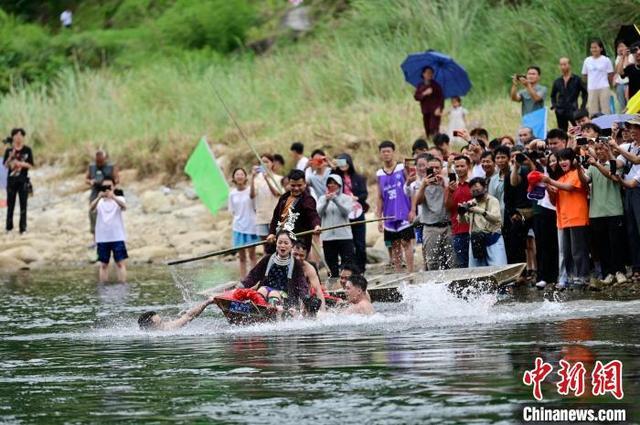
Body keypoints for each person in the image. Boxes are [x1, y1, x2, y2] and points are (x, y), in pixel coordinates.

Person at [542, 149, 590, 287]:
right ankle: (569, 277)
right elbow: (553, 202)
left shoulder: (576, 173)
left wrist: (549, 180)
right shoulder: (561, 178)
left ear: (572, 160)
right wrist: (548, 189)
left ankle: (582, 277)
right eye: (560, 159)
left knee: (578, 251)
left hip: (577, 217)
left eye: (565, 159)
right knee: (566, 252)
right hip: (562, 219)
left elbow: (569, 187)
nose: (562, 162)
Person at [583, 142, 627, 285]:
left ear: (608, 149)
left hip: (614, 210)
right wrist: (578, 167)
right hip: (596, 212)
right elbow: (586, 180)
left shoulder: (615, 164)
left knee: (616, 243)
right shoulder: (591, 166)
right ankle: (607, 273)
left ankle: (620, 271)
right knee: (602, 245)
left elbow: (613, 177)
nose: (600, 151)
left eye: (602, 148)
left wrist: (596, 164)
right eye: (597, 149)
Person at [241, 231, 309, 308]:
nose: (282, 245)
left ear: (291, 246)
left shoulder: (296, 264)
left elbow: (302, 283)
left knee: (273, 294)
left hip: (286, 296)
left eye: (286, 243)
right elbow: (253, 275)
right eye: (280, 242)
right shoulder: (267, 259)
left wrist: (305, 298)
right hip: (265, 290)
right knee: (262, 290)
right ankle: (257, 310)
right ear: (276, 244)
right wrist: (242, 286)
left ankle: (271, 314)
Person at [376, 140, 414, 272]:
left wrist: (413, 210)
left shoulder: (402, 168)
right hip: (389, 214)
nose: (386, 154)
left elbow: (411, 188)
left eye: (388, 151)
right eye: (383, 152)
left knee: (406, 242)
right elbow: (380, 196)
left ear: (393, 152)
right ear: (380, 154)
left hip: (403, 211)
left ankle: (410, 272)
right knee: (395, 244)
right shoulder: (379, 174)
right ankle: (398, 273)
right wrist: (379, 218)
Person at [267, 169, 321, 254]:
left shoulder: (307, 200)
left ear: (305, 184)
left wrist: (316, 225)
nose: (296, 188)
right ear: (289, 184)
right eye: (293, 185)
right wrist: (272, 233)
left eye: (299, 185)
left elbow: (313, 215)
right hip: (281, 240)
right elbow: (275, 218)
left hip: (298, 243)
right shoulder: (284, 198)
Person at [415, 156, 453, 270]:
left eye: (437, 168)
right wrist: (423, 186)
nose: (435, 170)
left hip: (447, 226)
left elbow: (450, 204)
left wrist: (445, 186)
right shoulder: (423, 184)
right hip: (430, 227)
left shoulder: (446, 182)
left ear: (442, 168)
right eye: (432, 168)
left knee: (451, 262)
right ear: (427, 169)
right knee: (432, 263)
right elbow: (418, 202)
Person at [458, 177, 507, 267]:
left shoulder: (493, 201)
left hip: (492, 238)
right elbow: (463, 222)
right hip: (476, 240)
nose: (475, 191)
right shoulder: (470, 203)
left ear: (485, 188)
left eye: (477, 189)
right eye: (473, 190)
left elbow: (496, 219)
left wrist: (479, 210)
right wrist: (461, 214)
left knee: (498, 268)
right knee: (476, 273)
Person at [334, 153, 369, 271]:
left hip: (357, 211)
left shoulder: (358, 178)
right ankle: (347, 269)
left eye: (344, 163)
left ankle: (361, 268)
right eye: (340, 163)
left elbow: (364, 193)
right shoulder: (335, 178)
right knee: (346, 243)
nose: (343, 166)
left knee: (360, 243)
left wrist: (356, 198)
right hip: (343, 213)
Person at [89, 177, 127, 283]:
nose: (107, 189)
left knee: (120, 263)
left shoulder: (119, 198)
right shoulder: (99, 201)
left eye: (109, 186)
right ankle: (103, 287)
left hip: (117, 237)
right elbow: (91, 208)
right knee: (103, 264)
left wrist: (113, 197)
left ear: (114, 187)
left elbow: (124, 206)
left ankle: (123, 286)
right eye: (104, 186)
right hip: (102, 238)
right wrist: (98, 197)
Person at [532, 152, 561, 289]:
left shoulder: (565, 174)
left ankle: (557, 276)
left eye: (556, 160)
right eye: (551, 161)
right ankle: (543, 276)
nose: (553, 163)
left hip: (562, 212)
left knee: (558, 245)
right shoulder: (544, 174)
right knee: (543, 245)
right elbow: (532, 178)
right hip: (544, 211)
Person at [317, 174, 354, 277]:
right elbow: (319, 213)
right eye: (329, 183)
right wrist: (327, 201)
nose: (332, 185)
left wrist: (335, 200)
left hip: (344, 236)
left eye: (334, 183)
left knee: (347, 263)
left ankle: (348, 283)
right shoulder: (322, 198)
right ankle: (334, 284)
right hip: (328, 237)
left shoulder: (346, 198)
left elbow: (346, 212)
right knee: (331, 264)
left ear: (340, 185)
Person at [229, 168, 259, 278]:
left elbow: (253, 197)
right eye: (237, 174)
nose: (239, 176)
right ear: (234, 178)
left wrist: (253, 178)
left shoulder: (251, 190)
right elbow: (232, 211)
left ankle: (254, 278)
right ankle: (243, 279)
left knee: (252, 255)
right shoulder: (232, 194)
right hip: (238, 227)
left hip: (251, 226)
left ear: (245, 177)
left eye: (242, 174)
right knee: (241, 257)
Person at [3, 128, 33, 234]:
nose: (18, 137)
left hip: (23, 181)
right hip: (11, 181)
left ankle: (23, 228)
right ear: (13, 137)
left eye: (20, 135)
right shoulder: (9, 150)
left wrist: (21, 164)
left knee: (23, 205)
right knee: (10, 205)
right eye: (16, 135)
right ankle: (9, 227)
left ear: (23, 137)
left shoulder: (27, 150)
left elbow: (30, 164)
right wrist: (11, 156)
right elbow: (6, 165)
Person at [85, 149, 119, 240]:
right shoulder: (91, 166)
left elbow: (117, 180)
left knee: (109, 213)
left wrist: (109, 183)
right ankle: (95, 238)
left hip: (108, 190)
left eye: (101, 161)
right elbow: (86, 179)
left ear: (105, 159)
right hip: (95, 191)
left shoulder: (112, 166)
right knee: (92, 212)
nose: (99, 163)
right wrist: (91, 181)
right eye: (97, 161)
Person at [445, 155, 472, 267]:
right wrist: (451, 192)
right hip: (458, 230)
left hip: (474, 229)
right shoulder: (451, 187)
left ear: (468, 166)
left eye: (462, 166)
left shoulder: (473, 184)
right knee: (462, 263)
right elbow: (448, 207)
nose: (459, 169)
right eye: (457, 166)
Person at [250, 154, 282, 241]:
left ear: (272, 163)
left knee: (277, 240)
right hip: (261, 216)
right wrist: (252, 178)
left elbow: (277, 193)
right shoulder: (257, 179)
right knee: (264, 243)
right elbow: (252, 195)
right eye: (262, 162)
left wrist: (267, 179)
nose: (264, 164)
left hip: (275, 216)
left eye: (266, 162)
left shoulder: (278, 178)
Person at [550, 57, 588, 131]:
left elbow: (585, 93)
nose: (562, 67)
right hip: (560, 110)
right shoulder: (557, 81)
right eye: (561, 65)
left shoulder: (577, 79)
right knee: (562, 131)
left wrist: (583, 106)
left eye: (564, 64)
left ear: (569, 65)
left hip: (573, 109)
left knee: (578, 129)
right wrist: (554, 106)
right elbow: (552, 95)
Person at [138, 297, 217, 331]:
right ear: (150, 328)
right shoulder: (165, 332)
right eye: (160, 324)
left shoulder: (167, 327)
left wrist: (207, 302)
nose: (164, 325)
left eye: (162, 322)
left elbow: (188, 316)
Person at [581, 39, 614, 115]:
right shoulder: (587, 60)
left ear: (601, 48)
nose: (593, 49)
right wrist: (588, 84)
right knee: (592, 111)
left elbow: (610, 74)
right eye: (592, 48)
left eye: (595, 47)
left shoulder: (606, 60)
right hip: (592, 88)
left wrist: (610, 85)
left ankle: (607, 126)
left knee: (605, 110)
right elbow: (584, 75)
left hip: (604, 87)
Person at [292, 241, 326, 312]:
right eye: (295, 254)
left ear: (306, 256)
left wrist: (323, 311)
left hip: (303, 299)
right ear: (290, 252)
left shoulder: (309, 268)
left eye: (301, 255)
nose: (298, 258)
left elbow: (318, 291)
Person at [414, 66, 444, 137]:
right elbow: (416, 97)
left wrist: (439, 108)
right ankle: (429, 142)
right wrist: (424, 93)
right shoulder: (420, 85)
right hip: (425, 110)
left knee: (433, 128)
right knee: (427, 127)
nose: (429, 74)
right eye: (428, 73)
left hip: (435, 110)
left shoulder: (436, 85)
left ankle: (436, 142)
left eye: (431, 73)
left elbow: (441, 98)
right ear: (423, 74)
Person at [488, 146, 510, 220]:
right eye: (497, 158)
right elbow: (491, 199)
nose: (500, 160)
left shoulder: (514, 175)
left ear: (509, 158)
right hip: (498, 217)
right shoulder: (493, 179)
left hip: (511, 215)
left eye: (503, 157)